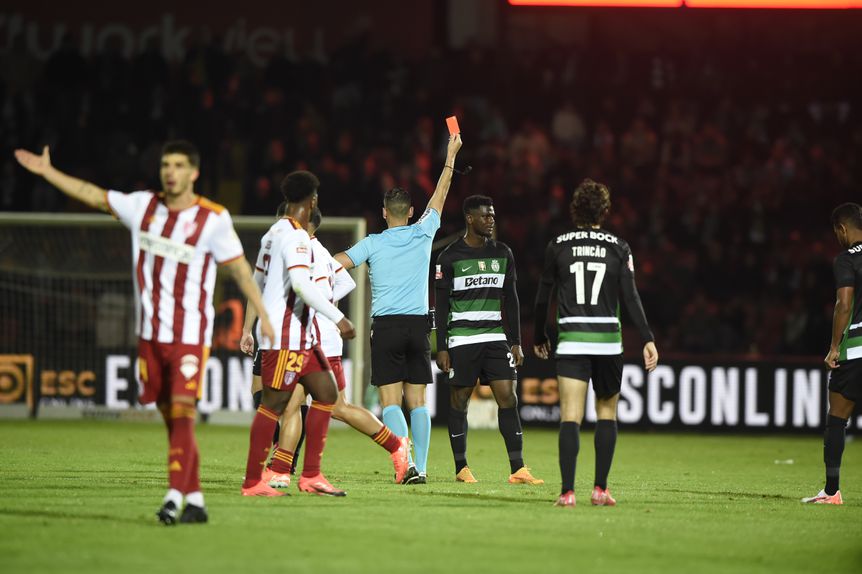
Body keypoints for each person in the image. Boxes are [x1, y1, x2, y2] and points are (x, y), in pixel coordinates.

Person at [13, 141, 275, 525]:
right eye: (166, 164)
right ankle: (197, 500)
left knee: (183, 412)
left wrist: (263, 317)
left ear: (193, 173)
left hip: (190, 335)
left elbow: (239, 269)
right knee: (172, 416)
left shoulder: (213, 219)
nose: (170, 171)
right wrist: (49, 173)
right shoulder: (142, 207)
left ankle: (172, 497)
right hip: (150, 335)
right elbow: (94, 195)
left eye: (179, 165)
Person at [241, 207, 410, 487]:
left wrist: (332, 315)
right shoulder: (318, 253)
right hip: (313, 334)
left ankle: (396, 446)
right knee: (294, 404)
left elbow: (305, 290)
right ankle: (282, 470)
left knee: (334, 407)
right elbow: (340, 283)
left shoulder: (304, 251)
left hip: (317, 337)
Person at [335, 133, 463, 484]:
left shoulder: (372, 244)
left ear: (382, 213)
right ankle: (419, 468)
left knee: (390, 401)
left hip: (386, 327)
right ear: (410, 212)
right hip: (418, 326)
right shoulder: (424, 231)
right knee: (418, 401)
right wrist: (450, 153)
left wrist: (307, 261)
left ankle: (402, 463)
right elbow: (442, 190)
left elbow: (338, 263)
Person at [533, 179, 658, 508]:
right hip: (607, 342)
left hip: (572, 339)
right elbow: (630, 296)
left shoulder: (558, 244)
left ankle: (567, 492)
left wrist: (539, 335)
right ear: (605, 210)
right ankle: (600, 489)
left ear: (575, 209)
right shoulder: (619, 246)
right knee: (607, 414)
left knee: (570, 417)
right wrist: (646, 337)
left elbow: (542, 296)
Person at [240, 170, 356, 497]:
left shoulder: (272, 234)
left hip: (297, 334)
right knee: (273, 405)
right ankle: (253, 481)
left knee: (326, 395)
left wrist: (253, 325)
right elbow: (302, 285)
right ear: (313, 200)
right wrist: (339, 317)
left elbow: (258, 280)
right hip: (287, 335)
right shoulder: (297, 236)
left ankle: (311, 476)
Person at [435, 195, 543, 485]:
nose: (491, 220)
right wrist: (441, 346)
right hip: (462, 339)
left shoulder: (503, 253)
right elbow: (442, 305)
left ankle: (518, 468)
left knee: (508, 397)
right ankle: (461, 467)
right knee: (459, 402)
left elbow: (512, 300)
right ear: (470, 219)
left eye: (492, 215)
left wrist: (516, 341)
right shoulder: (449, 257)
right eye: (485, 216)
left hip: (495, 338)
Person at [802, 202, 862, 506]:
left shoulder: (845, 260)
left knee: (837, 417)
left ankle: (832, 491)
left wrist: (834, 347)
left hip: (855, 350)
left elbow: (844, 304)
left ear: (842, 228)